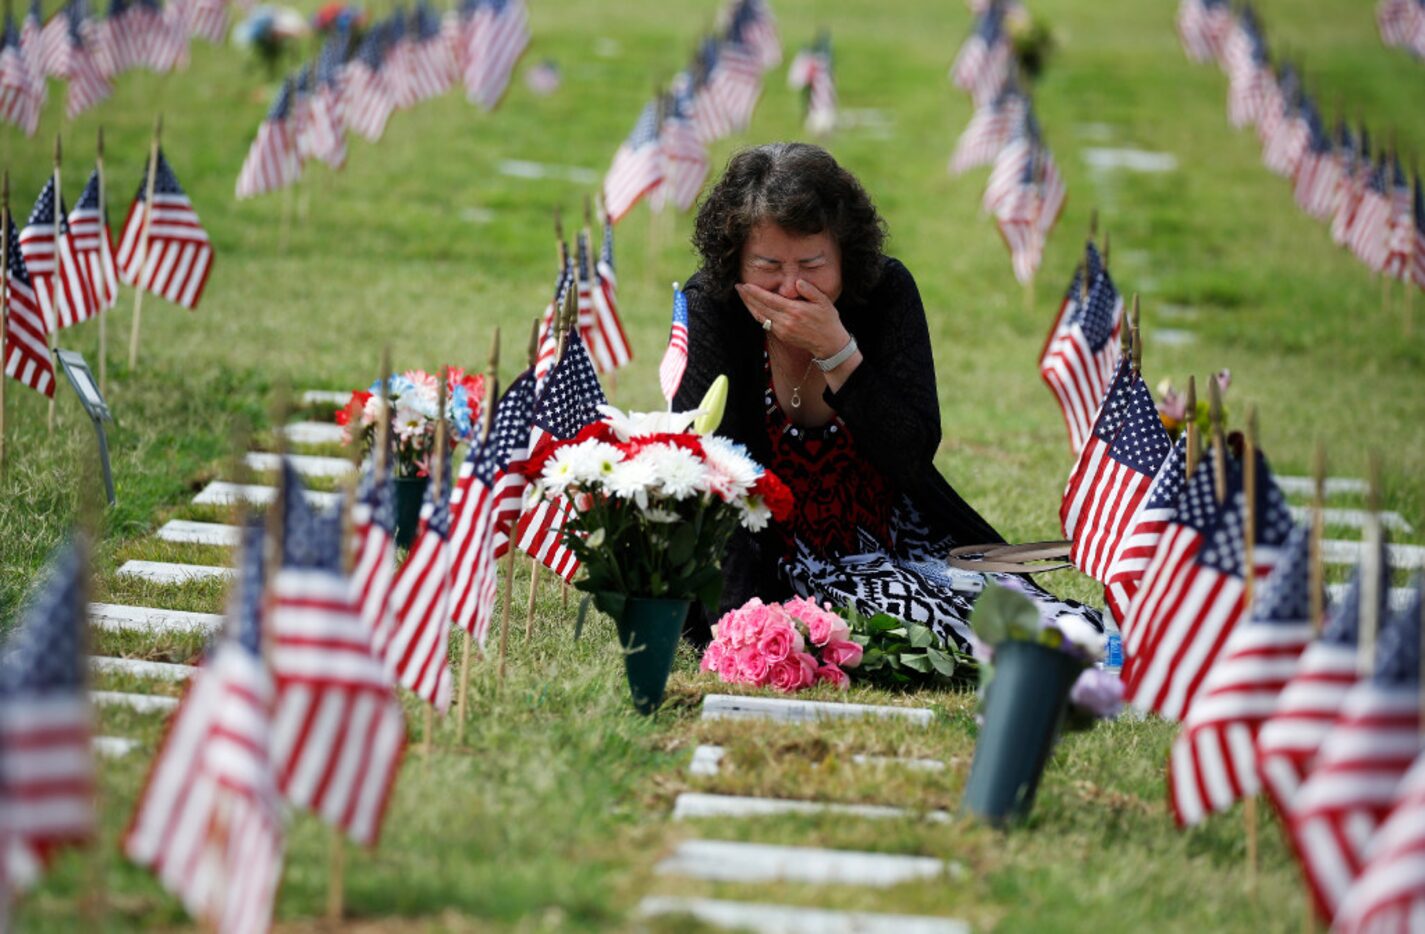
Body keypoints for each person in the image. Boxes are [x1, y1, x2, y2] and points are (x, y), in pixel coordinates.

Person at [674, 142, 1099, 651]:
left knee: (1026, 628)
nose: (790, 288)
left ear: (845, 257)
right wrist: (739, 625)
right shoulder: (712, 309)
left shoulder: (886, 293)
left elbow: (913, 452)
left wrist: (838, 353)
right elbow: (715, 474)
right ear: (735, 262)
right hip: (763, 552)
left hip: (889, 538)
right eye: (767, 265)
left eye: (812, 264)